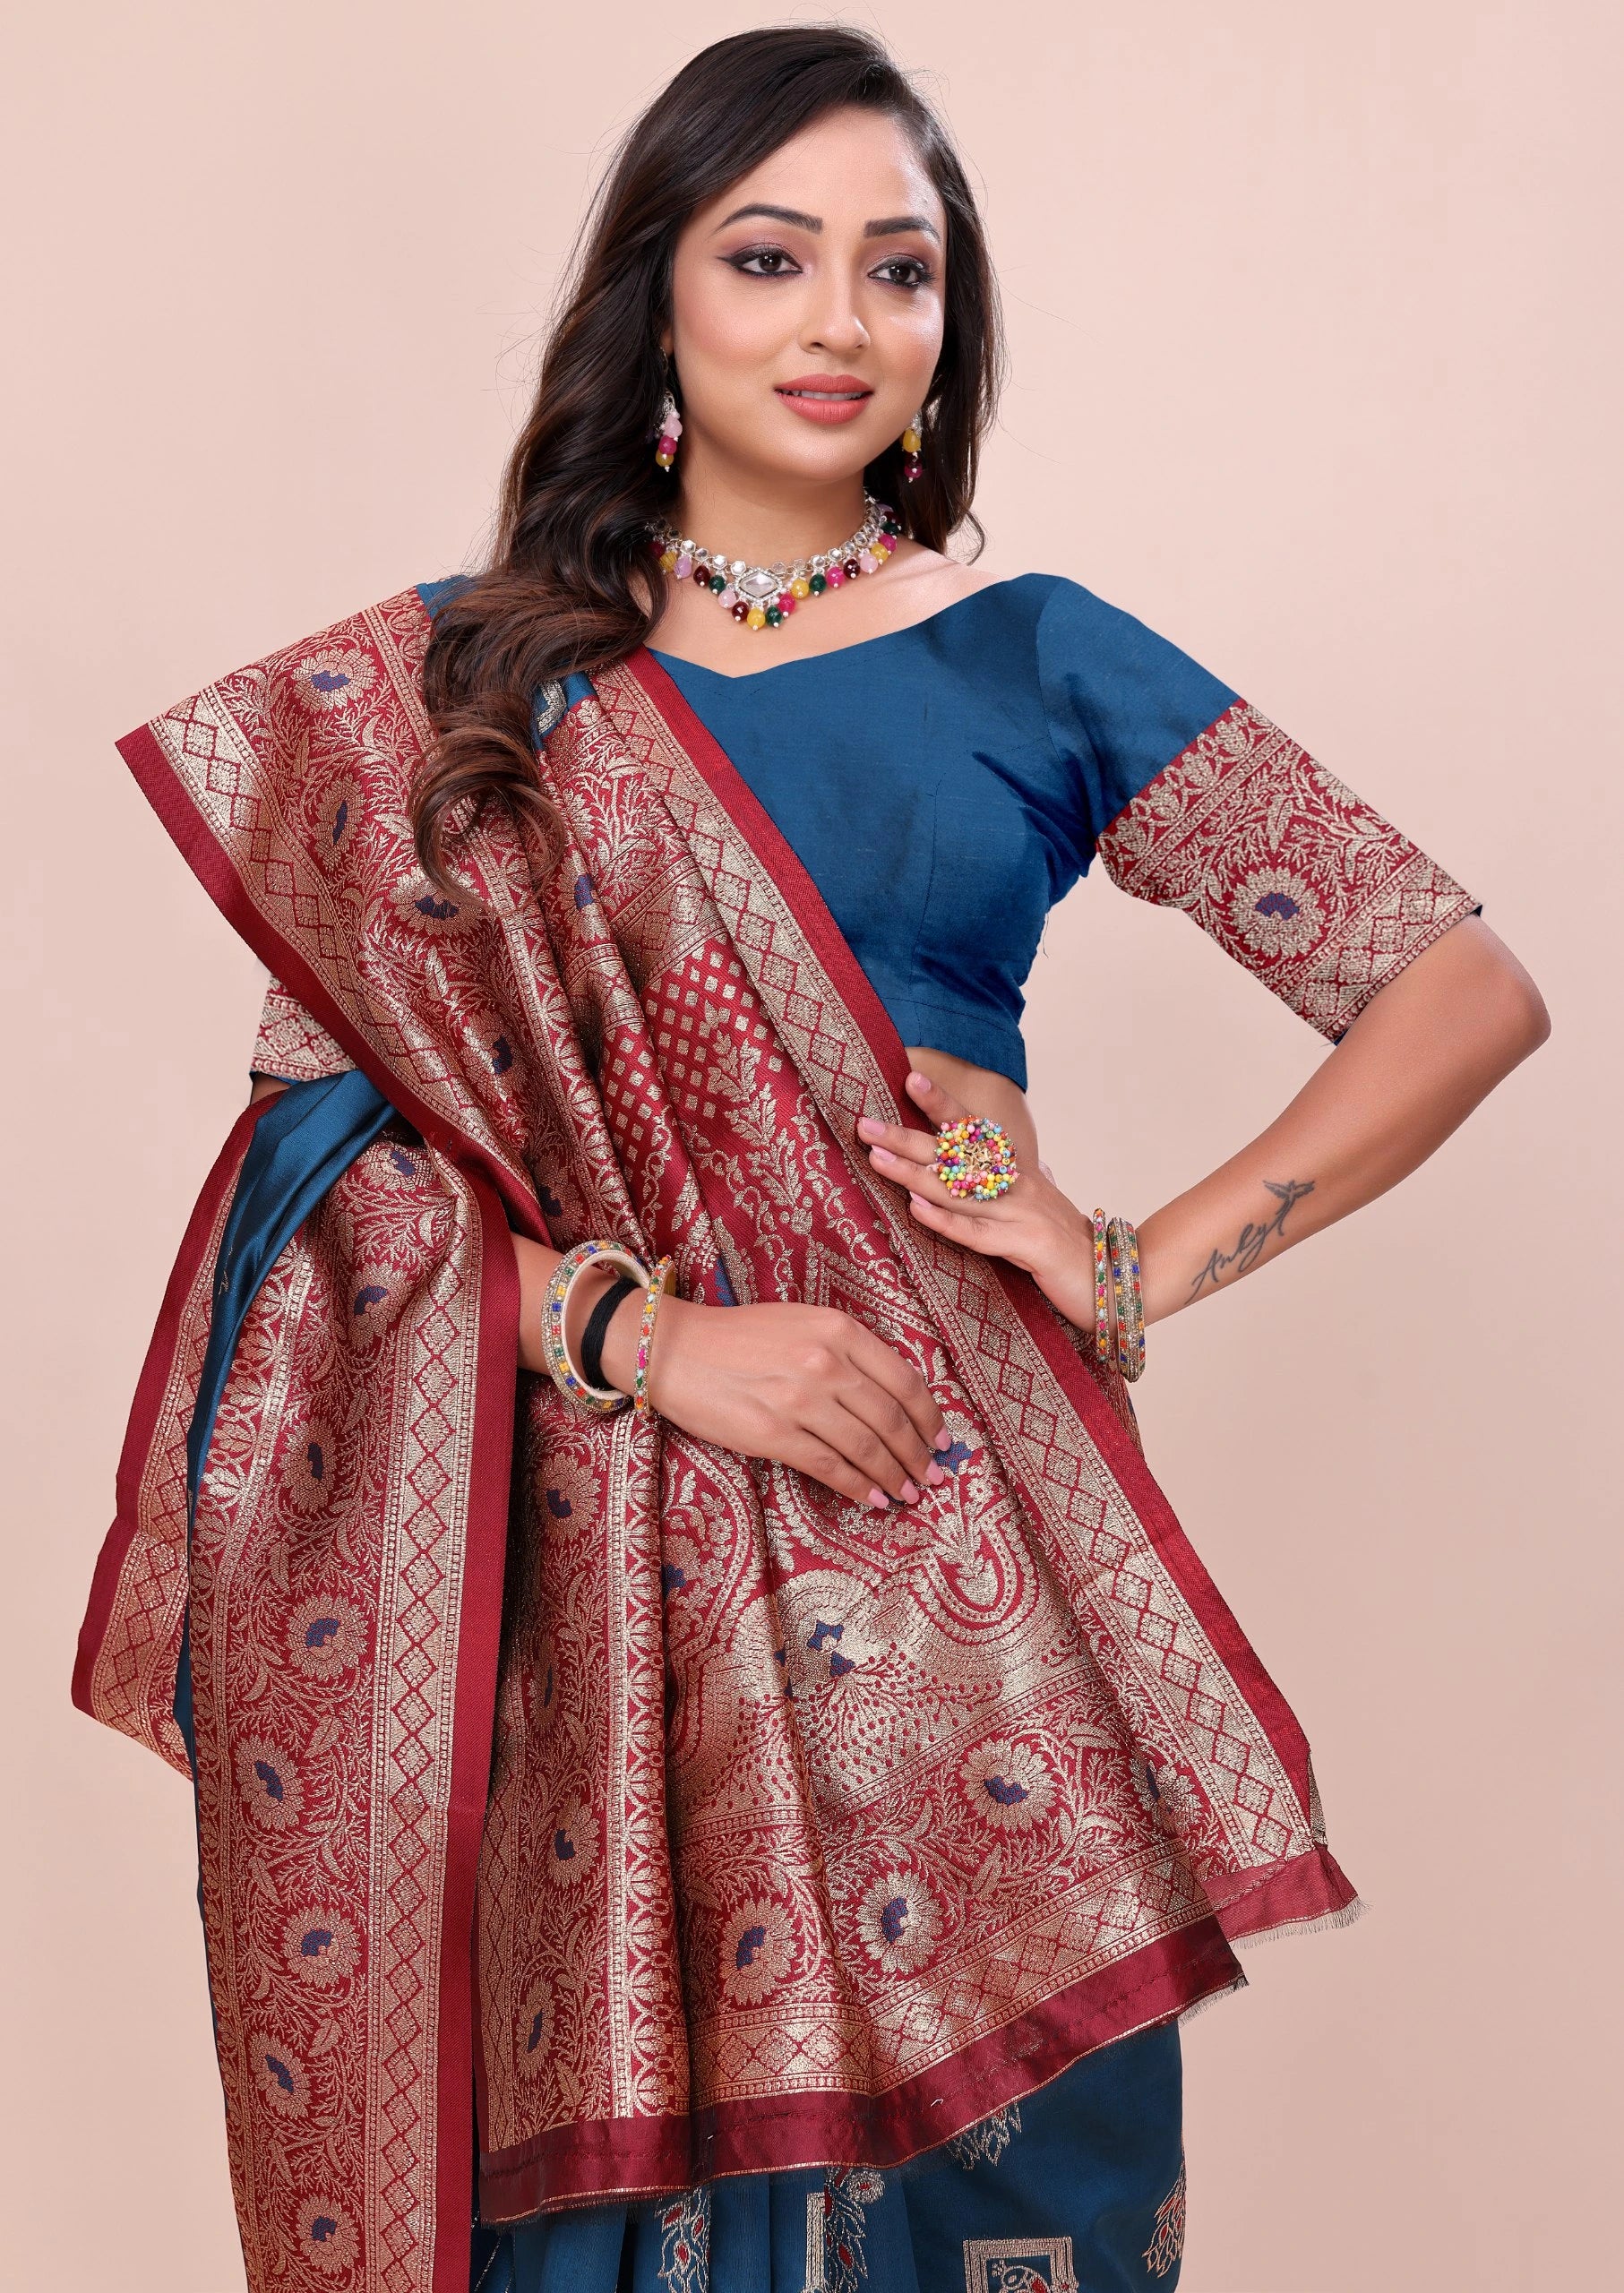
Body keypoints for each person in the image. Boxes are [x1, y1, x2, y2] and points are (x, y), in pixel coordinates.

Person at [73, 26, 1547, 2293]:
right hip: (591, 1668)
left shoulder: (1037, 659)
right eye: (772, 258)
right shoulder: (468, 699)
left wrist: (1135, 1256)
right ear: (656, 294)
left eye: (901, 270)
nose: (842, 322)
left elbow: (1454, 987)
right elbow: (315, 1185)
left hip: (968, 1628)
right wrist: (644, 1333)